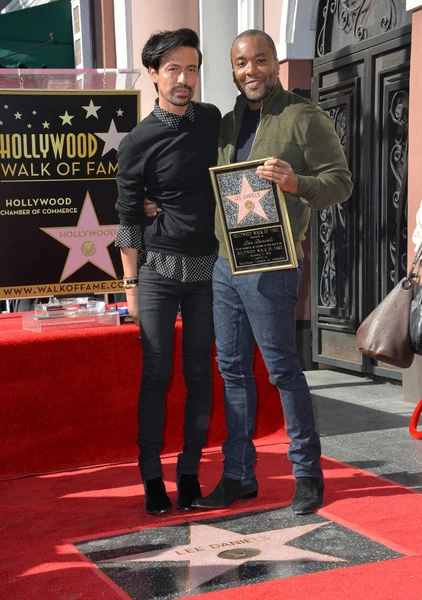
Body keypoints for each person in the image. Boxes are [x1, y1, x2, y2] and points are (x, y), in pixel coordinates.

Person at [190, 30, 353, 515]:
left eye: (260, 60)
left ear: (276, 63)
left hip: (273, 265)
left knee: (282, 368)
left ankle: (307, 474)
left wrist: (295, 181)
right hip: (225, 263)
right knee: (233, 370)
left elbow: (341, 183)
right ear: (234, 70)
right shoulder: (226, 123)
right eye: (242, 63)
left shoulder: (304, 117)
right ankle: (239, 476)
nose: (251, 71)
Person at [115, 28, 221, 515]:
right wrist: (131, 289)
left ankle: (190, 473)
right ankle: (152, 478)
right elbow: (128, 218)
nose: (184, 79)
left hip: (206, 270)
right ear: (154, 74)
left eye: (192, 69)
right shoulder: (137, 140)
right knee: (157, 373)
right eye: (173, 69)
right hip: (156, 272)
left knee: (200, 372)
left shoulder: (211, 120)